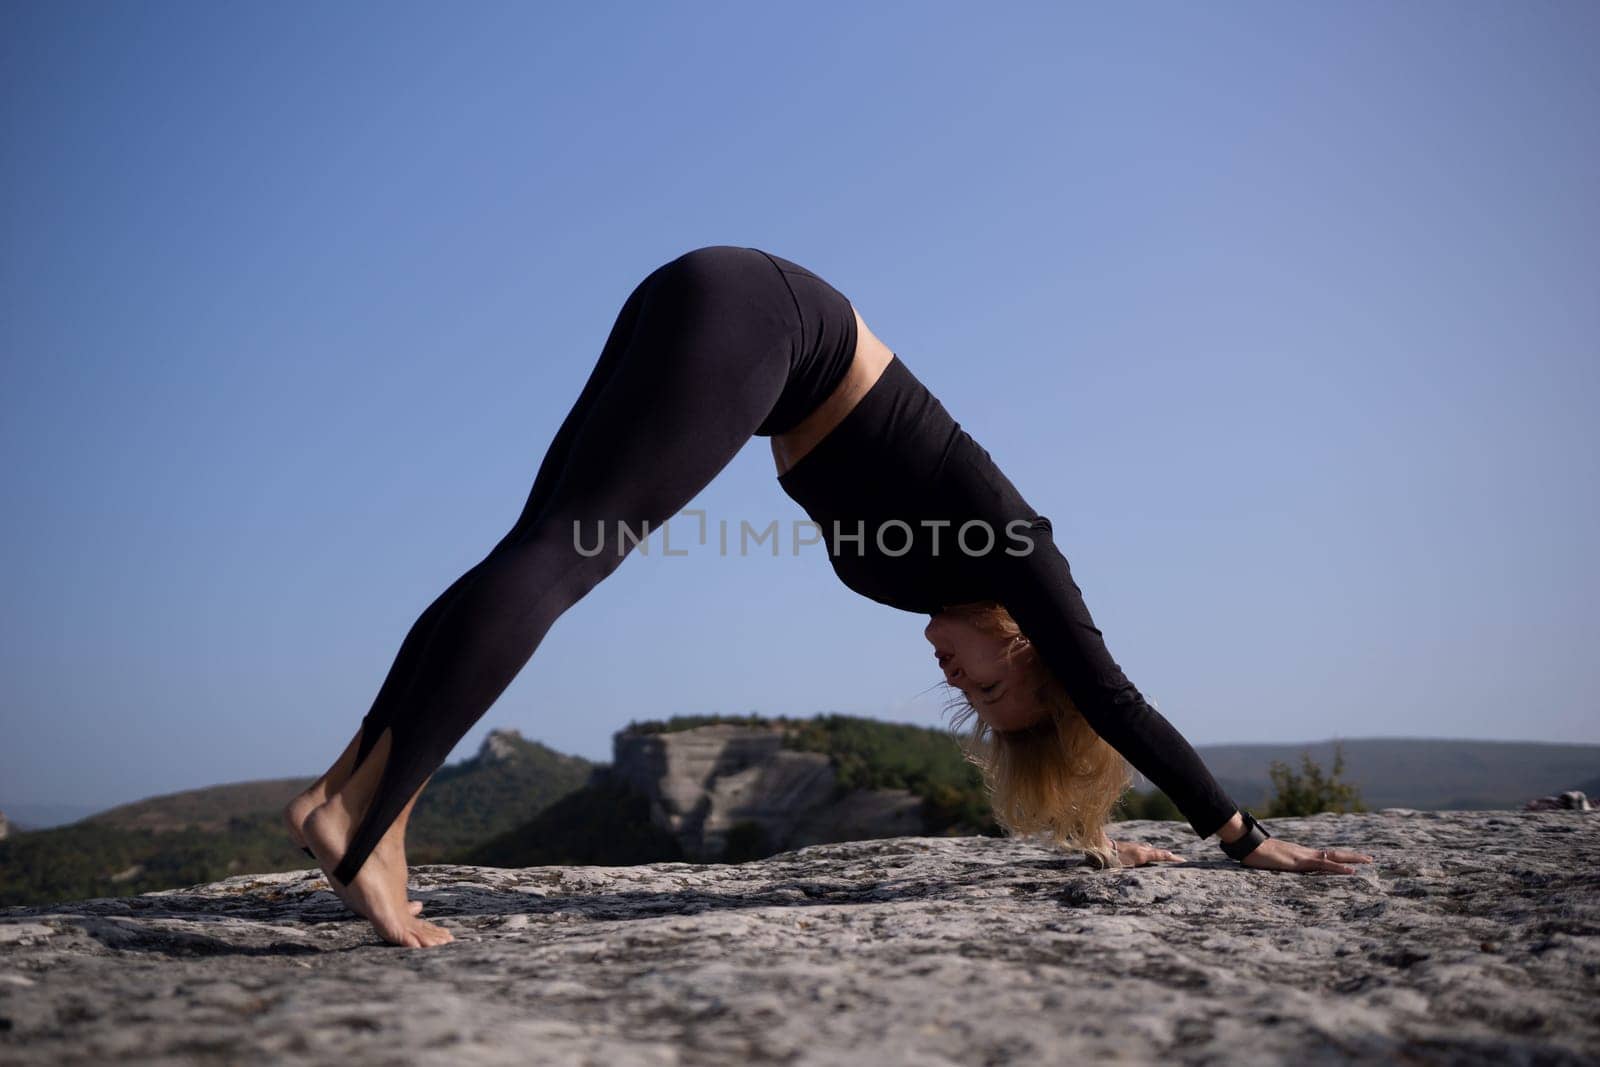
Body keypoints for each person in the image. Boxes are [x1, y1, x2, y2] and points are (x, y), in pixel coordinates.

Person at [283, 245, 1374, 948]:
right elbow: (1116, 698)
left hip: (720, 307)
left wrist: (1092, 837)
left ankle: (360, 797)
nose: (960, 685)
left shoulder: (946, 579)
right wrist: (1240, 837)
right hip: (763, 319)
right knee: (568, 555)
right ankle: (361, 816)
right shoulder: (1020, 553)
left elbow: (1074, 720)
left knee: (535, 545)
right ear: (1032, 654)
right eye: (996, 693)